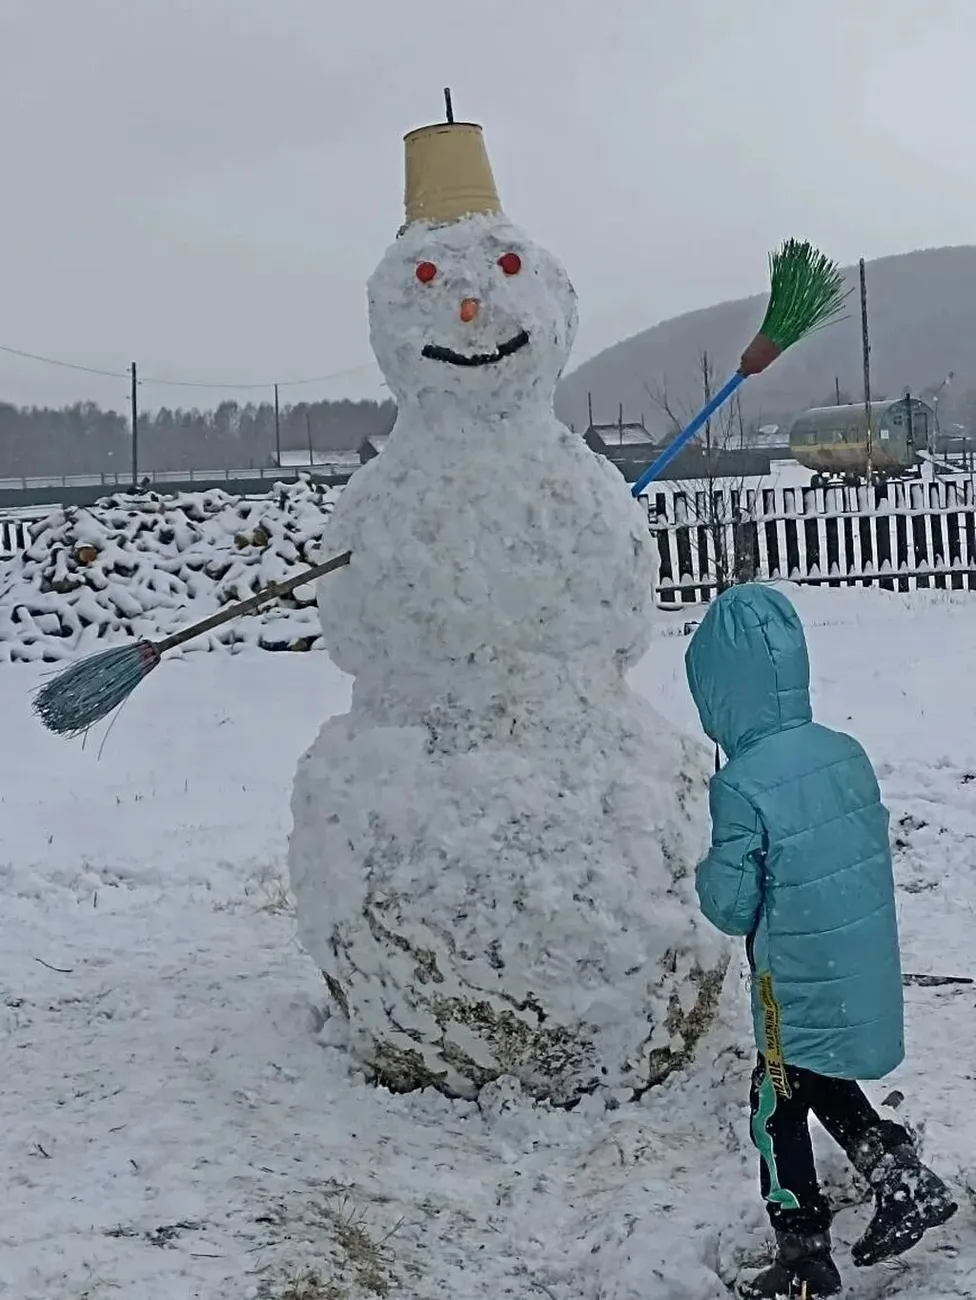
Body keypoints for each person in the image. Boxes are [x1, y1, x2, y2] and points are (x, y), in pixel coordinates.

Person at [684, 584, 956, 1298]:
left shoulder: (741, 784)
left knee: (774, 1105)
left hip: (789, 980)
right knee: (818, 1077)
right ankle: (901, 1179)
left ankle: (803, 1255)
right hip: (853, 964)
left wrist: (705, 870)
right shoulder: (845, 752)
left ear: (719, 693)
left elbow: (732, 908)